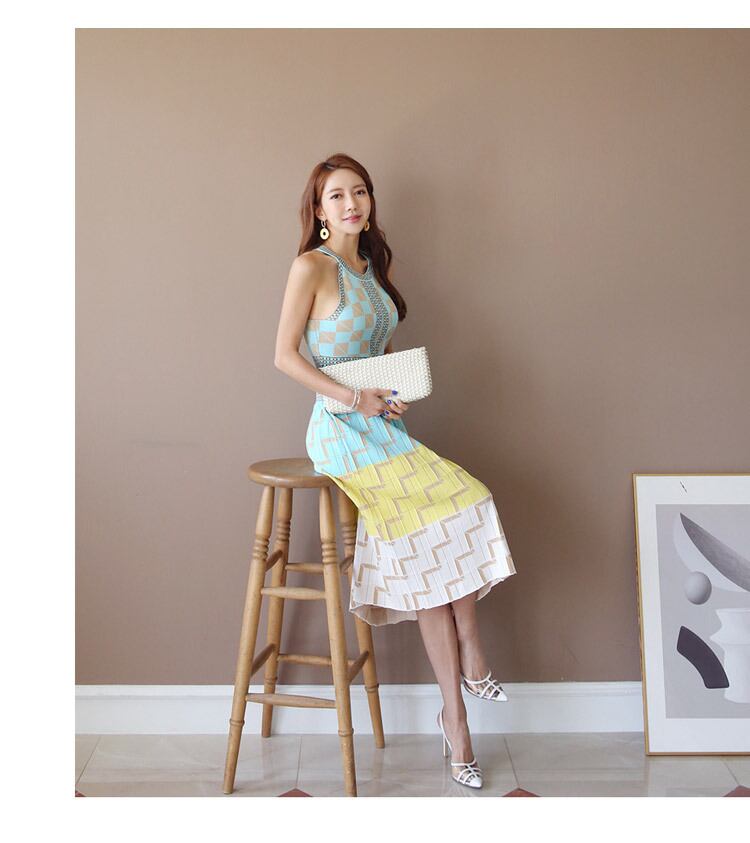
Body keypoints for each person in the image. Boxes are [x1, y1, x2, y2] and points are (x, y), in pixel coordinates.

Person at [274, 152, 517, 789]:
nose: (351, 203)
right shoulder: (311, 267)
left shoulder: (371, 266)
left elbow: (375, 356)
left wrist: (388, 395)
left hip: (382, 424)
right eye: (337, 195)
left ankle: (455, 715)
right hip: (339, 432)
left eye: (360, 192)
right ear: (319, 210)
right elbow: (283, 356)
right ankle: (470, 671)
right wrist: (355, 399)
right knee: (459, 508)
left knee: (439, 540)